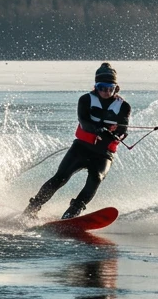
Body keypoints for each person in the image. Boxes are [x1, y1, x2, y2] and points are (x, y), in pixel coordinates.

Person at [24, 63, 132, 220]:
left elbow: (124, 128)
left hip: (104, 153)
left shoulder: (124, 106)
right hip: (81, 148)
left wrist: (119, 132)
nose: (106, 91)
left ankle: (72, 212)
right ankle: (32, 208)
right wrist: (98, 129)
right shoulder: (86, 100)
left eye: (110, 87)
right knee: (60, 178)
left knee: (96, 178)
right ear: (96, 86)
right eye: (102, 87)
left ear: (116, 87)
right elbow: (84, 121)